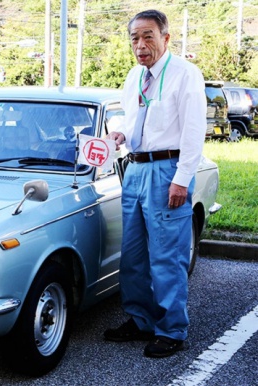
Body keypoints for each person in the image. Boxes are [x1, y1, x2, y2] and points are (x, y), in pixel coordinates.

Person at [104, 9, 206, 358]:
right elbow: (134, 120)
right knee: (132, 256)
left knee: (166, 256)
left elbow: (194, 131)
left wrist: (182, 180)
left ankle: (172, 330)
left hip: (167, 171)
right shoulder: (135, 75)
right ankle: (140, 319)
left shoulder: (185, 74)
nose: (140, 44)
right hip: (134, 169)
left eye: (148, 36)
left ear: (165, 37)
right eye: (134, 37)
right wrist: (120, 132)